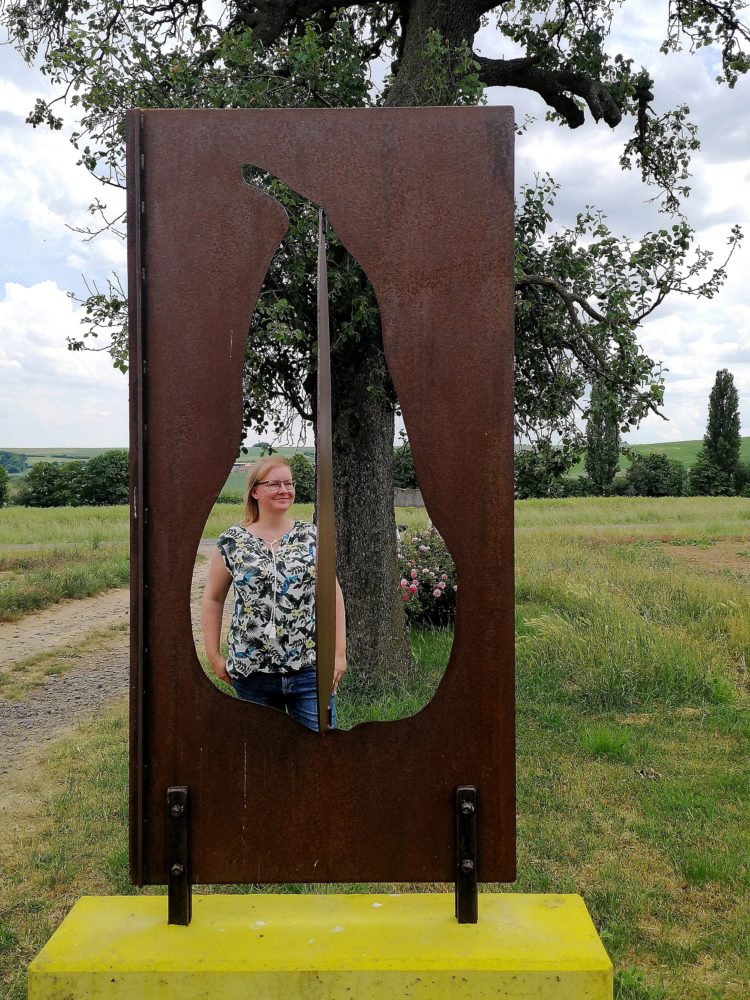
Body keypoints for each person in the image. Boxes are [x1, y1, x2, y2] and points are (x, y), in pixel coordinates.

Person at [201, 455, 346, 731]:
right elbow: (213, 598)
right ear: (255, 491)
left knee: (321, 753)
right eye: (274, 484)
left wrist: (339, 653)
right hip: (251, 672)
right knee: (265, 761)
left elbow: (333, 594)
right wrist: (213, 655)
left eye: (289, 483)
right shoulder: (232, 541)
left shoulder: (311, 536)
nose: (284, 490)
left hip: (308, 669)